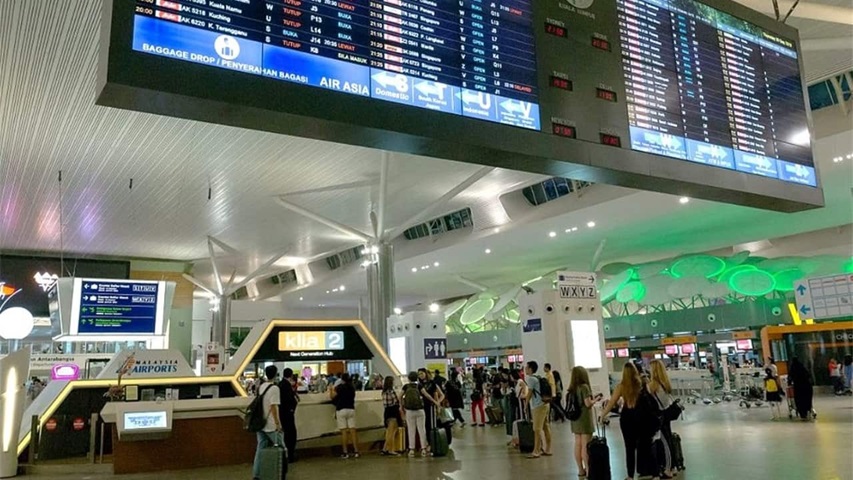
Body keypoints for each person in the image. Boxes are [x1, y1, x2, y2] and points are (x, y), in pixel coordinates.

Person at [601, 362, 660, 480]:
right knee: (647, 446)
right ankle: (655, 474)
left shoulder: (621, 387)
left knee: (629, 448)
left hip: (627, 419)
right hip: (641, 419)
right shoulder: (642, 384)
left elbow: (612, 402)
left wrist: (602, 415)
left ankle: (630, 475)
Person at [568, 366, 602, 477]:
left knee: (577, 444)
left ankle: (580, 470)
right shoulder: (584, 387)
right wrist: (596, 399)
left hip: (575, 419)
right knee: (586, 445)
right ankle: (588, 470)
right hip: (584, 418)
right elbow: (587, 404)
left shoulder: (572, 388)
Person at [252, 365, 282, 480]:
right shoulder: (274, 388)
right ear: (275, 374)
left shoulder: (261, 387)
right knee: (282, 447)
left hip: (260, 423)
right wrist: (277, 423)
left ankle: (256, 474)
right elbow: (273, 407)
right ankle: (280, 471)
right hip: (271, 425)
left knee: (260, 449)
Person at [648, 360, 676, 478]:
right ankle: (673, 466)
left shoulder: (652, 386)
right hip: (667, 413)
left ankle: (668, 469)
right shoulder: (665, 383)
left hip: (659, 416)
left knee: (665, 442)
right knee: (669, 439)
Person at [524, 361, 552, 459]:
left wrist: (525, 404)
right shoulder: (538, 377)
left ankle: (536, 451)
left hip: (538, 406)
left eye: (527, 367)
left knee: (537, 429)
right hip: (545, 404)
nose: (525, 369)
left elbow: (529, 393)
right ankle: (548, 449)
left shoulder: (531, 379)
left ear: (530, 369)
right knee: (545, 427)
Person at [330, 372, 359, 458]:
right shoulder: (352, 388)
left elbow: (332, 397)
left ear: (342, 379)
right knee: (353, 431)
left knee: (344, 432)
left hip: (341, 409)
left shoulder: (340, 387)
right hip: (351, 409)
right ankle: (356, 451)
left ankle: (345, 452)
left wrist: (331, 389)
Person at [401, 371, 429, 457]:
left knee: (411, 430)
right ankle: (423, 449)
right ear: (417, 378)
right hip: (420, 410)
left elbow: (399, 396)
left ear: (408, 378)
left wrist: (401, 406)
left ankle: (411, 450)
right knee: (422, 430)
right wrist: (435, 402)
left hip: (409, 411)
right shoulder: (419, 386)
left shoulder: (406, 386)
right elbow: (426, 395)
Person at [279, 368, 299, 463]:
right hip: (288, 413)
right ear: (291, 375)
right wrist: (292, 409)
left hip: (282, 413)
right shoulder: (287, 385)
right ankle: (291, 455)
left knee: (286, 434)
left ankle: (286, 454)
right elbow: (290, 399)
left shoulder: (280, 384)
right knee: (291, 434)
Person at [381, 376, 402, 456]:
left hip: (387, 411)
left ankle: (385, 448)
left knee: (390, 431)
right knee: (392, 432)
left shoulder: (384, 392)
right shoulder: (391, 391)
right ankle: (391, 450)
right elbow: (395, 401)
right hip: (393, 412)